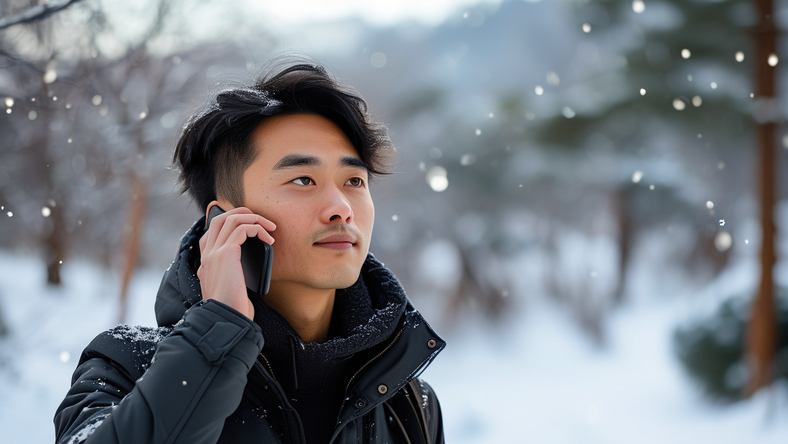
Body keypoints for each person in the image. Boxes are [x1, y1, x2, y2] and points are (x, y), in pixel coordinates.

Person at [54, 60, 445, 444]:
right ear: (224, 219)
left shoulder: (409, 406)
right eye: (303, 179)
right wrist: (216, 336)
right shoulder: (126, 366)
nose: (341, 206)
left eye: (354, 180)